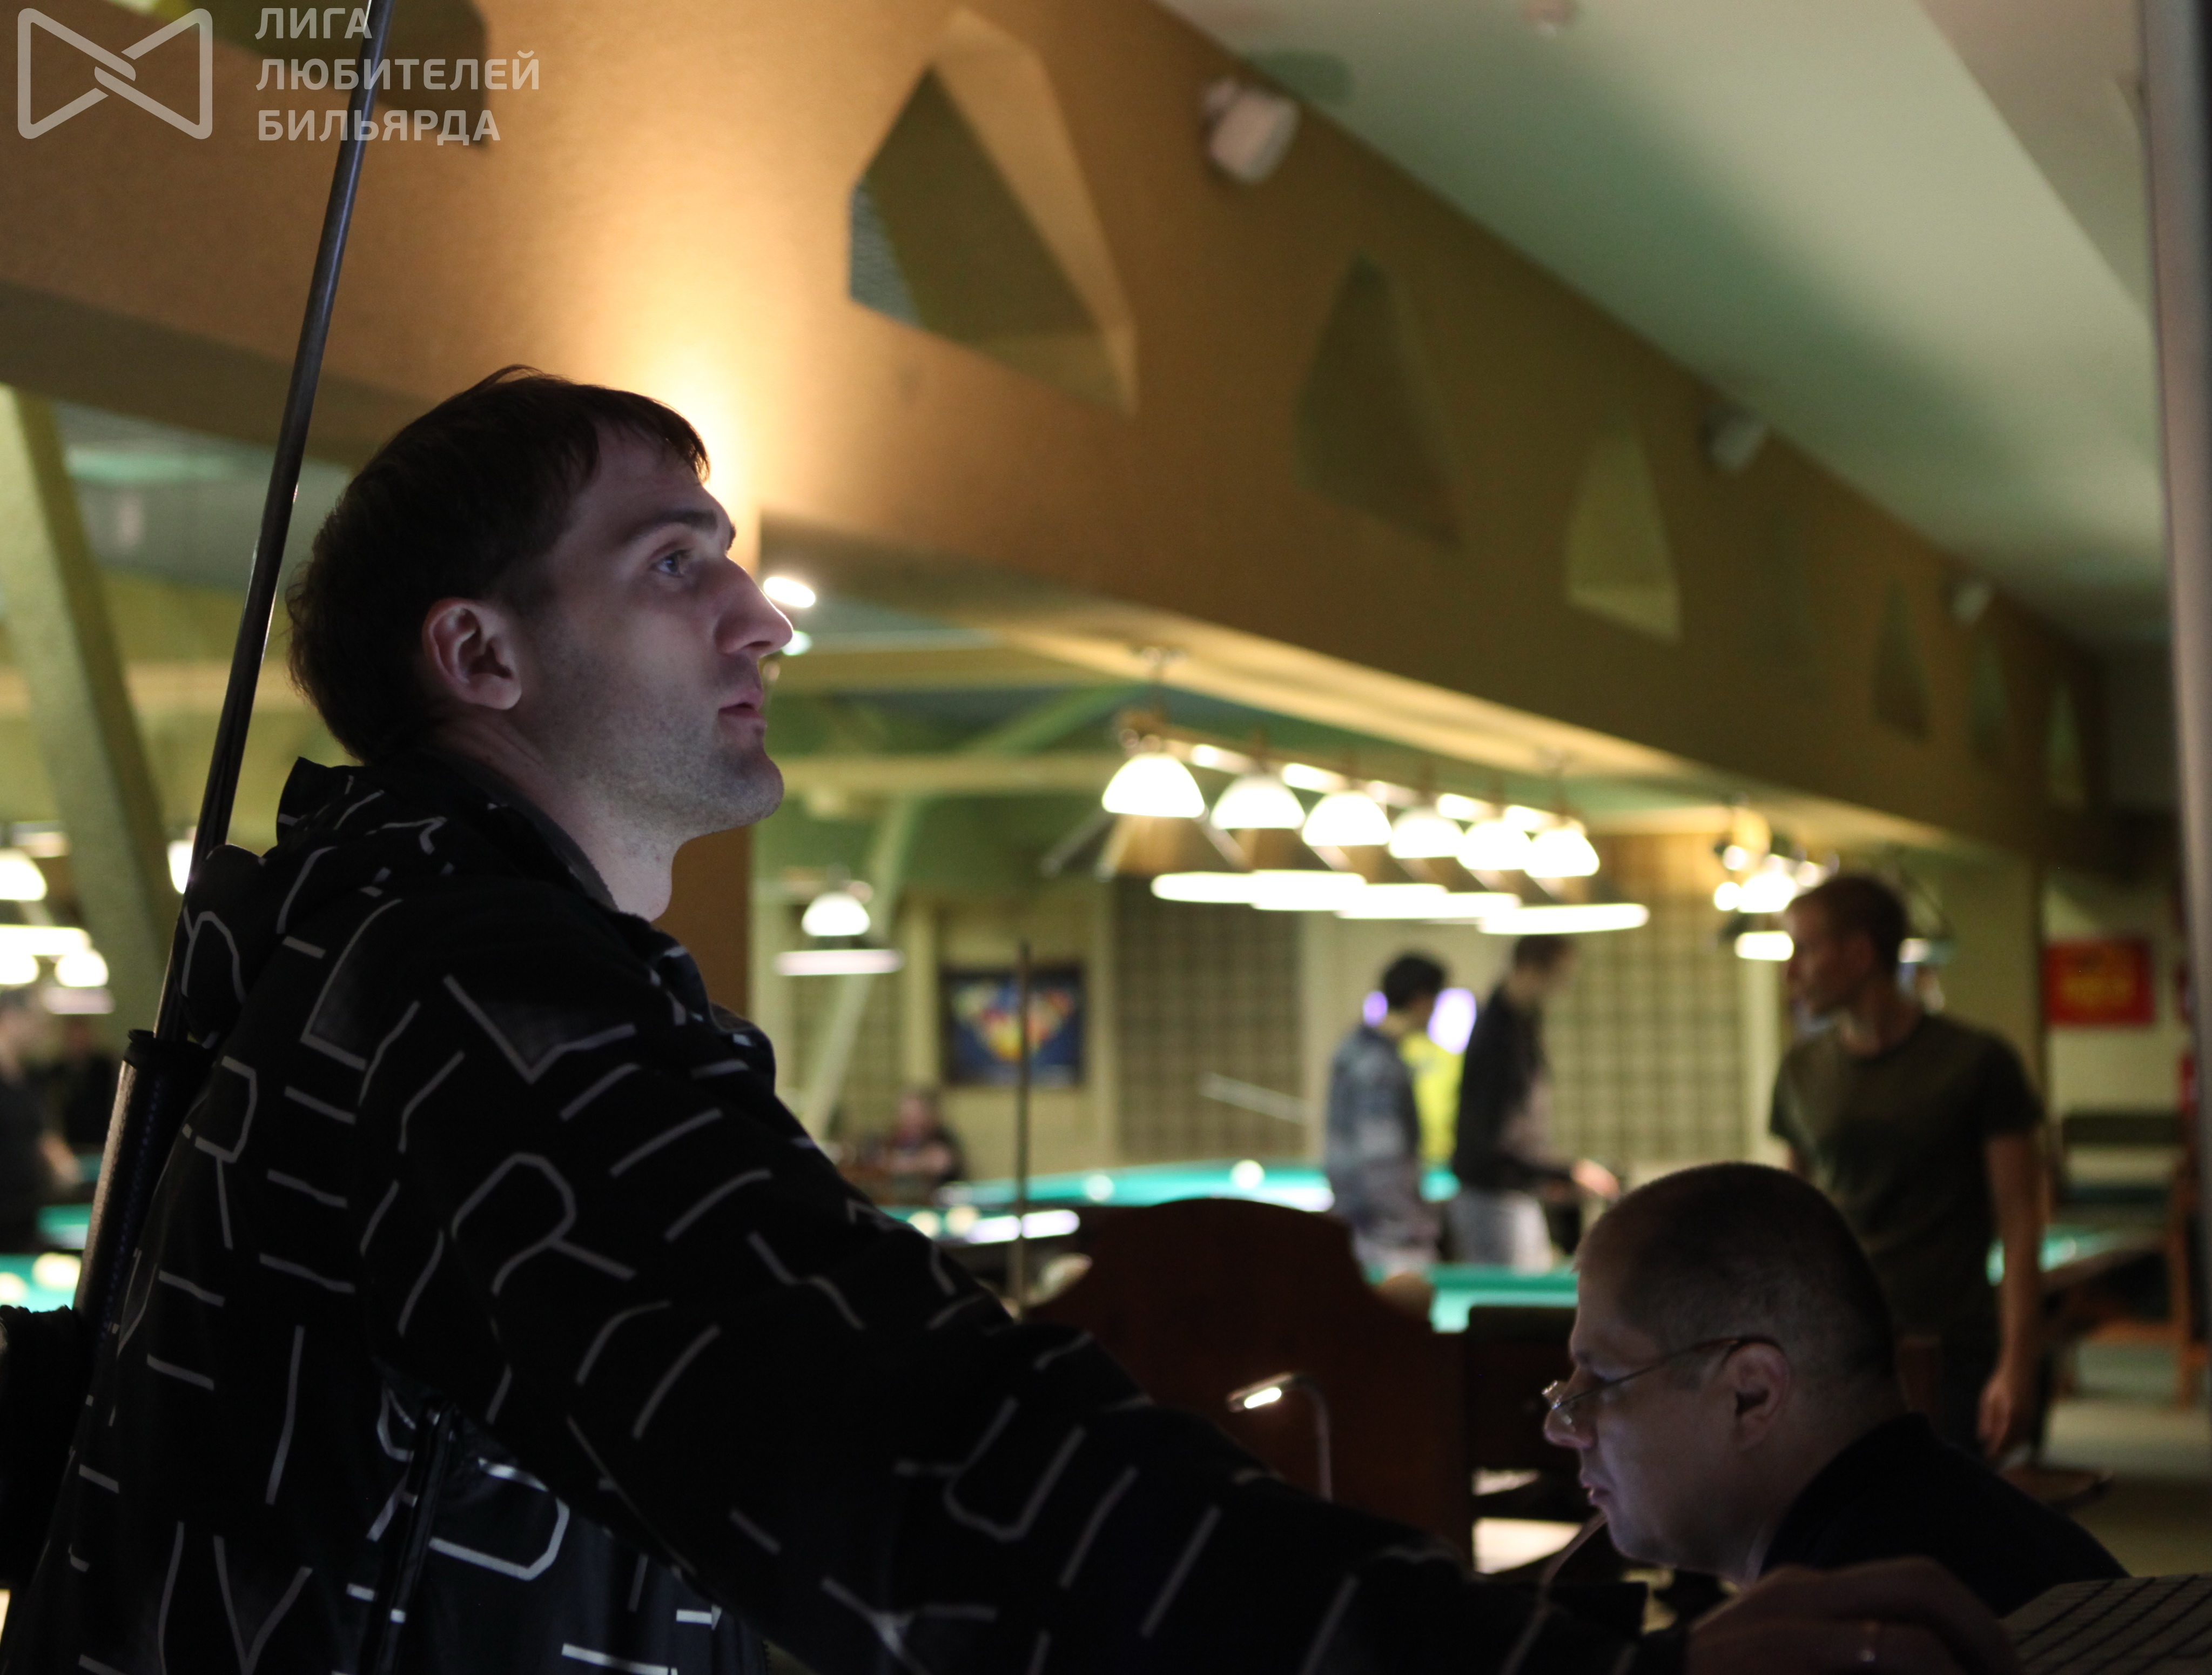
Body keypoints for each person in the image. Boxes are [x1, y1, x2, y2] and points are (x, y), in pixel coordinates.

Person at [0, 371, 2018, 1675]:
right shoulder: (468, 993)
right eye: (677, 561)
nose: (760, 612)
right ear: (483, 653)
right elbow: (900, 1437)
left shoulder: (395, 956)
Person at [1547, 1162, 2122, 1616]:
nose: (1561, 1426)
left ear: (1751, 1395)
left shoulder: (1854, 1633)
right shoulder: (1989, 1527)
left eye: (1605, 1379)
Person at [1770, 874, 2045, 1458]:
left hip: (1954, 1349)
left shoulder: (1977, 1061)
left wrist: (2018, 1365)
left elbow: (2021, 1221)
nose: (1791, 972)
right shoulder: (1801, 1070)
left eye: (1805, 949)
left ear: (1860, 953)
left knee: (1952, 1513)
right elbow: (1792, 1222)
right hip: (1839, 1352)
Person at [1451, 937, 1617, 1268]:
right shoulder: (1496, 1035)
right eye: (1560, 976)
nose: (1563, 988)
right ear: (1530, 970)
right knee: (1508, 1294)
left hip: (1511, 1192)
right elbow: (1494, 1138)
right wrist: (1568, 1170)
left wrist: (1550, 1176)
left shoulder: (1521, 1022)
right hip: (1492, 1196)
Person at [1325, 954, 1444, 1274]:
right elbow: (1381, 1160)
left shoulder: (1354, 1047)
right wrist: (1414, 1225)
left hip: (1356, 1226)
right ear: (1422, 1001)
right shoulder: (1380, 1066)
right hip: (1385, 1236)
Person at [0, 990, 65, 1249]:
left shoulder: (29, 1077)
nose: (40, 1029)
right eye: (34, 1019)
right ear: (9, 1017)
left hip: (26, 1214)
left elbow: (40, 1135)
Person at [847, 1085, 966, 1203]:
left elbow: (940, 1162)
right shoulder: (891, 1138)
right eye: (905, 1111)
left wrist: (903, 1164)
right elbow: (875, 1161)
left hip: (936, 1205)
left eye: (916, 1112)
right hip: (896, 1205)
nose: (910, 1117)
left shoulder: (941, 1137)